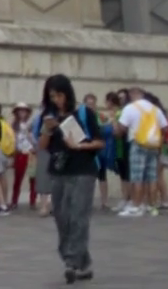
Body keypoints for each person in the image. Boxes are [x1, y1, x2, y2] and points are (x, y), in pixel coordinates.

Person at [39, 74, 103, 284]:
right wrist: (47, 129)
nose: (57, 100)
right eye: (52, 96)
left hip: (83, 170)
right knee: (61, 217)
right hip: (59, 170)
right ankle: (83, 265)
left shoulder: (84, 113)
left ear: (67, 93)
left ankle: (71, 262)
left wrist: (79, 146)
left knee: (78, 216)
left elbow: (99, 142)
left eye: (59, 95)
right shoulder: (48, 115)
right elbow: (42, 146)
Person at [115, 86, 166, 216]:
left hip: (138, 144)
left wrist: (116, 125)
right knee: (152, 177)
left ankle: (136, 206)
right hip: (153, 145)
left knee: (137, 177)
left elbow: (121, 129)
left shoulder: (130, 108)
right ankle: (152, 206)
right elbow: (165, 128)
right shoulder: (155, 109)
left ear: (132, 94)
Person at [10, 103, 36, 210]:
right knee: (18, 178)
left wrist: (31, 138)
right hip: (20, 153)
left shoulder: (31, 125)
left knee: (33, 178)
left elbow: (35, 140)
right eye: (20, 111)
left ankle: (32, 201)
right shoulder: (13, 125)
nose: (22, 113)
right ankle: (14, 200)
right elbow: (12, 140)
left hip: (30, 153)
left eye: (25, 111)